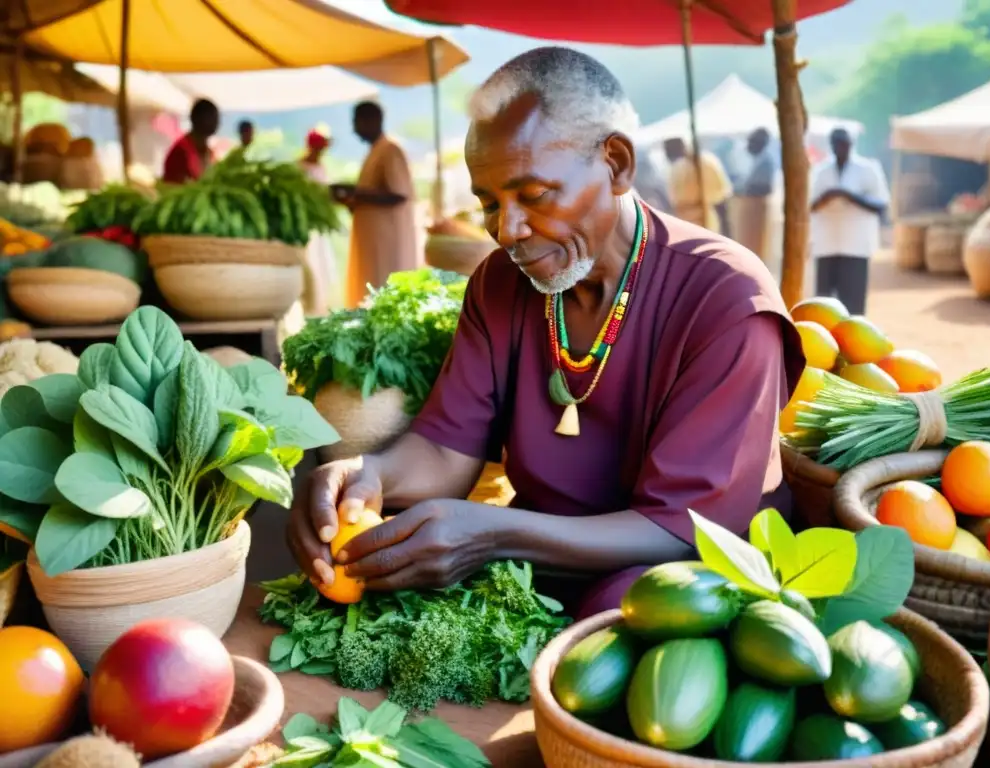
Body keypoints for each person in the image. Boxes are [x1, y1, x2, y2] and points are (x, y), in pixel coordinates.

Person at [286, 47, 804, 620]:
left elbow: (683, 531)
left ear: (616, 164)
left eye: (533, 195)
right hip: (536, 567)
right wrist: (368, 475)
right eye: (489, 203)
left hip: (684, 589)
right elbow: (442, 450)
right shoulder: (501, 284)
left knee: (627, 609)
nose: (508, 230)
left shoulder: (726, 298)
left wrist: (496, 534)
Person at [335, 101, 418, 309]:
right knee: (368, 297)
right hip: (371, 244)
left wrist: (355, 192)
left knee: (384, 299)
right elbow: (374, 196)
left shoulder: (390, 150)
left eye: (356, 122)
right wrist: (351, 199)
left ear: (372, 120)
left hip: (387, 244)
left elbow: (399, 194)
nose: (354, 129)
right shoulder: (375, 151)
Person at [809, 128, 889, 315]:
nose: (840, 147)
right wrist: (826, 198)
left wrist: (848, 195)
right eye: (836, 143)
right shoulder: (821, 171)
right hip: (827, 245)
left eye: (843, 143)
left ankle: (853, 342)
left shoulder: (868, 169)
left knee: (853, 305)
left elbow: (880, 205)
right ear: (831, 145)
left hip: (856, 246)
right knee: (824, 304)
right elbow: (810, 205)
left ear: (851, 143)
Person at [298, 129, 337, 315]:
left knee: (320, 260)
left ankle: (320, 304)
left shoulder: (321, 167)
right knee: (308, 260)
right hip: (306, 222)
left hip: (319, 225)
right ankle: (309, 304)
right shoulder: (300, 167)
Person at [664, 136, 732, 233]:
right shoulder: (707, 161)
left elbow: (721, 197)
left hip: (701, 220)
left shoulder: (682, 167)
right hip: (702, 221)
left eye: (668, 149)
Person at [162, 99, 219, 184]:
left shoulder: (209, 153)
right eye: (210, 116)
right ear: (195, 119)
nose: (216, 122)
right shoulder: (180, 152)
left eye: (216, 117)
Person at [741, 128, 775, 198]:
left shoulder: (764, 163)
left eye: (751, 142)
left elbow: (756, 188)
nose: (748, 146)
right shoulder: (758, 160)